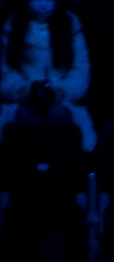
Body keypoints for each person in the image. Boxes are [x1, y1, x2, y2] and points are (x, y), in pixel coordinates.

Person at [0, 0, 96, 151]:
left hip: (63, 100)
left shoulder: (70, 22)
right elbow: (5, 70)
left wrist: (62, 92)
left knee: (58, 115)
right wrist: (21, 90)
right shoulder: (13, 22)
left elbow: (81, 70)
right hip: (21, 100)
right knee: (24, 116)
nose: (43, 5)